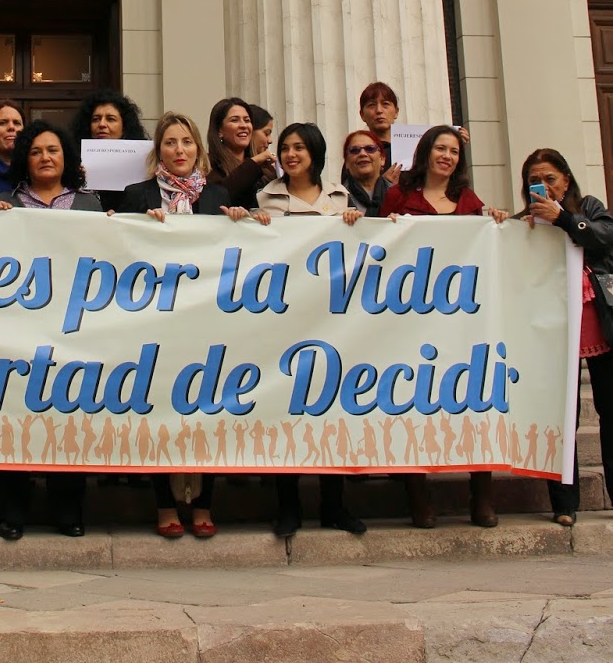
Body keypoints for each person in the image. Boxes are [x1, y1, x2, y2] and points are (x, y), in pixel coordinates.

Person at [120, 112, 249, 538]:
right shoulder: (135, 194)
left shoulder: (215, 196)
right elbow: (114, 246)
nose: (180, 150)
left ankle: (203, 505)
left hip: (206, 321)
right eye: (171, 143)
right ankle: (164, 504)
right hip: (155, 322)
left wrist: (250, 224)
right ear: (160, 150)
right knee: (159, 408)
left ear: (198, 149)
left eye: (187, 143)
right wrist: (141, 227)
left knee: (206, 409)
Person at [381, 125, 508, 529]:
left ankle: (482, 498)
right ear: (425, 152)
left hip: (460, 322)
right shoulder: (400, 196)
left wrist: (496, 221)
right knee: (410, 403)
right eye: (440, 148)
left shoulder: (468, 201)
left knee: (473, 402)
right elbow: (381, 245)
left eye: (454, 151)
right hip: (410, 319)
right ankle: (419, 499)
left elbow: (487, 244)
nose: (447, 156)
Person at [0, 121, 100, 538]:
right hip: (20, 327)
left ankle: (67, 509)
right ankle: (11, 511)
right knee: (14, 418)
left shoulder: (89, 205)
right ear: (25, 159)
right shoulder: (7, 202)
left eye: (53, 150)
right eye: (36, 151)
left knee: (69, 417)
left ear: (66, 157)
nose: (45, 157)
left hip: (73, 329)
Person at [256, 123, 366, 538]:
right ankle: (288, 507)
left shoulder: (340, 198)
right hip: (285, 321)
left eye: (299, 147)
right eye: (285, 148)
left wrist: (359, 222)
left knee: (329, 413)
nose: (290, 154)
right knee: (286, 413)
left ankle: (334, 505)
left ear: (315, 153)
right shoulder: (264, 198)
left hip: (332, 322)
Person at [520, 148, 613, 528]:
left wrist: (565, 219)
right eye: (534, 181)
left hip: (599, 325)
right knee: (559, 416)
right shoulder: (524, 222)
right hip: (552, 331)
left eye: (550, 179)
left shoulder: (588, 208)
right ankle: (563, 503)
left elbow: (605, 237)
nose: (543, 187)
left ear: (566, 180)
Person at [68, 90, 147, 212]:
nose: (102, 124)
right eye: (96, 119)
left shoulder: (144, 161)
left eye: (110, 119)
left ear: (124, 127)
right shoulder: (72, 161)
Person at [225, 103, 278, 207]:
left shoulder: (267, 171)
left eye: (246, 121)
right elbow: (222, 196)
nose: (270, 140)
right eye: (266, 133)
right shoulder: (213, 164)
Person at [341, 129, 393, 218]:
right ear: (346, 163)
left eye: (370, 149)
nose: (362, 154)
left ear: (382, 159)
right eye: (354, 150)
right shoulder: (336, 199)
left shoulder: (399, 196)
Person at [358, 82, 403, 180]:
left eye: (385, 104)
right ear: (362, 114)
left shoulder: (409, 150)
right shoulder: (357, 153)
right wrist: (382, 186)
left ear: (396, 112)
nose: (379, 110)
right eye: (371, 105)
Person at [206, 97, 254, 186]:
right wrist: (252, 165)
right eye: (234, 120)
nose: (244, 125)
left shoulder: (264, 169)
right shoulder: (209, 167)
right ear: (219, 131)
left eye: (247, 120)